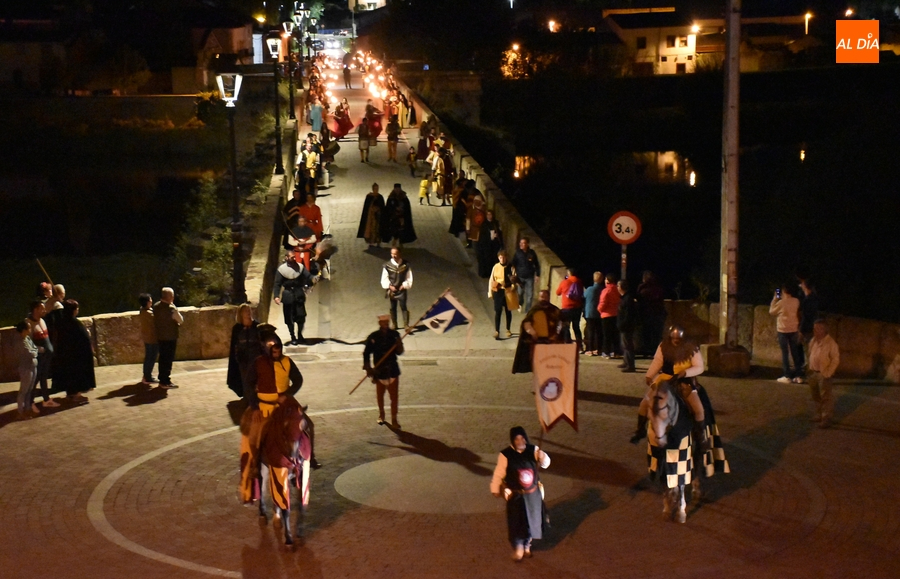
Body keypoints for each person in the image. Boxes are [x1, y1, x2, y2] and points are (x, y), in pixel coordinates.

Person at [490, 426, 550, 561]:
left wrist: (542, 457)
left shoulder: (533, 450)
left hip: (532, 495)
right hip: (516, 496)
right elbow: (499, 473)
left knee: (531, 521)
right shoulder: (506, 454)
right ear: (513, 440)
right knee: (516, 521)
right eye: (517, 438)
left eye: (522, 438)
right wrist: (495, 488)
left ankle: (527, 545)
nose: (520, 441)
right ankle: (518, 547)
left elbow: (546, 464)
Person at [363, 314, 405, 429]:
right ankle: (381, 414)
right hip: (379, 370)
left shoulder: (395, 335)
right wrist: (368, 367)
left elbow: (399, 352)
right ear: (380, 324)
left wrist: (399, 345)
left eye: (387, 323)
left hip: (392, 369)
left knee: (394, 396)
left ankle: (394, 419)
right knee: (380, 395)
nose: (385, 325)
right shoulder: (373, 337)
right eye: (383, 323)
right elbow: (366, 353)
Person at [52, 299, 96, 402]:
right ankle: (76, 394)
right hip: (76, 355)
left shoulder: (62, 323)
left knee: (68, 374)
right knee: (76, 374)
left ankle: (70, 393)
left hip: (66, 354)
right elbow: (82, 338)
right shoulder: (74, 323)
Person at [512, 290, 563, 374]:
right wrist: (532, 332)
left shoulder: (554, 310)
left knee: (550, 362)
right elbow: (527, 323)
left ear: (548, 297)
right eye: (541, 297)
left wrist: (556, 334)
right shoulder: (534, 310)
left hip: (550, 340)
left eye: (544, 297)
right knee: (538, 363)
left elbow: (560, 323)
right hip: (537, 340)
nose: (543, 299)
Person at [274, 251, 316, 345]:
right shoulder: (281, 270)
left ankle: (300, 335)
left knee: (301, 316)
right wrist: (276, 296)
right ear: (286, 257)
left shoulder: (300, 267)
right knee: (289, 318)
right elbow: (277, 284)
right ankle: (292, 336)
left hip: (298, 294)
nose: (294, 258)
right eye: (292, 257)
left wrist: (313, 278)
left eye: (294, 257)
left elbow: (308, 276)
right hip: (288, 295)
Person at [807, 319, 840, 428]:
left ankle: (826, 418)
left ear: (824, 330)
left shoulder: (831, 343)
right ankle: (819, 414)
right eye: (815, 328)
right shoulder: (813, 341)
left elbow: (835, 359)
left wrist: (828, 372)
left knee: (825, 397)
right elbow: (810, 353)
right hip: (813, 372)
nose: (815, 331)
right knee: (816, 395)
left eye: (818, 328)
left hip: (823, 373)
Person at [27, 300, 59, 409]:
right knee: (35, 379)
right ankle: (30, 402)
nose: (44, 310)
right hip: (39, 357)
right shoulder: (29, 323)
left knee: (43, 377)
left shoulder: (42, 321)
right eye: (42, 308)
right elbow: (27, 341)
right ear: (35, 309)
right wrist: (38, 349)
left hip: (46, 357)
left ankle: (46, 399)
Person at [227, 304, 263, 399]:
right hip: (243, 360)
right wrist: (237, 358)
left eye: (249, 310)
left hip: (255, 358)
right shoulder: (237, 329)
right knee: (246, 382)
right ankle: (249, 401)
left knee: (256, 381)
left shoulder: (257, 326)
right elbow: (234, 345)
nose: (248, 313)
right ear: (241, 314)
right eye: (245, 311)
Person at [769, 284, 803, 383]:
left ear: (783, 291)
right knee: (795, 352)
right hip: (793, 329)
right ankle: (798, 375)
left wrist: (775, 299)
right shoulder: (796, 301)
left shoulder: (781, 303)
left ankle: (787, 375)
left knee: (785, 353)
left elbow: (771, 311)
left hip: (783, 330)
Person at [153, 288, 183, 389]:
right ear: (170, 297)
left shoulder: (156, 306)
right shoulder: (171, 309)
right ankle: (165, 381)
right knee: (168, 359)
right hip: (170, 337)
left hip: (160, 336)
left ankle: (162, 378)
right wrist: (175, 308)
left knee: (162, 358)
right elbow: (180, 320)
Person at [381, 247, 413, 330]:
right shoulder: (387, 265)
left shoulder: (405, 265)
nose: (393, 256)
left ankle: (406, 325)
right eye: (392, 254)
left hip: (402, 290)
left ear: (399, 254)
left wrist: (404, 285)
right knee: (393, 307)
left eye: (395, 254)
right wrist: (390, 286)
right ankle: (394, 324)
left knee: (403, 306)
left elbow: (409, 277)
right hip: (393, 290)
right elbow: (384, 277)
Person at [489, 250, 517, 339]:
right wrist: (490, 292)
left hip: (508, 291)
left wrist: (512, 287)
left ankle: (508, 329)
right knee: (498, 311)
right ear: (498, 258)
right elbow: (491, 279)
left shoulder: (511, 267)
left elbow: (514, 279)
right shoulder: (495, 267)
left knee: (508, 311)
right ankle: (497, 331)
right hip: (498, 291)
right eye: (500, 257)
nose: (502, 259)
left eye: (504, 257)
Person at [637, 271, 667, 357]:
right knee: (656, 334)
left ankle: (646, 351)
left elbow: (639, 300)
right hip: (657, 314)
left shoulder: (642, 289)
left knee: (646, 333)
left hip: (645, 314)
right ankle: (655, 351)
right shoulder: (657, 288)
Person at [555, 267, 585, 351]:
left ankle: (568, 344)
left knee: (566, 326)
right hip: (577, 308)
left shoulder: (565, 282)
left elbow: (557, 292)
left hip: (567, 308)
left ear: (569, 273)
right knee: (576, 327)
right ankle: (580, 346)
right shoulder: (579, 282)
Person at [15, 320, 39, 419]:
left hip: (32, 366)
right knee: (24, 390)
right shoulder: (20, 341)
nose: (30, 329)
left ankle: (28, 409)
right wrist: (35, 352)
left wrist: (35, 352)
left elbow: (34, 349)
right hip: (26, 368)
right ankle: (20, 411)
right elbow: (31, 353)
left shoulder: (27, 338)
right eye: (28, 327)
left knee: (29, 389)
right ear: (24, 330)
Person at [382, 183, 417, 247]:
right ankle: (394, 244)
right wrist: (394, 209)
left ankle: (401, 243)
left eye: (398, 189)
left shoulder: (404, 197)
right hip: (393, 218)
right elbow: (388, 207)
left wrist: (402, 210)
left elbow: (407, 208)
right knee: (394, 231)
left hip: (401, 218)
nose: (397, 190)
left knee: (401, 231)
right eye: (396, 189)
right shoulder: (391, 198)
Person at [511, 238, 541, 313]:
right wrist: (512, 271)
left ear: (527, 244)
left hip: (529, 277)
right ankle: (520, 303)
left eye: (523, 243)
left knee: (530, 294)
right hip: (520, 277)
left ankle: (528, 310)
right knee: (520, 293)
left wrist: (537, 275)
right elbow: (513, 263)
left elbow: (536, 264)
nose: (521, 244)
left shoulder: (532, 253)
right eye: (520, 243)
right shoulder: (518, 253)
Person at [617, 280, 638, 372]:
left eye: (618, 286)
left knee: (628, 345)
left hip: (626, 325)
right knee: (624, 344)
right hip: (625, 325)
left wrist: (623, 324)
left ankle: (630, 365)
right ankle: (626, 362)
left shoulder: (627, 299)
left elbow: (628, 314)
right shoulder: (625, 298)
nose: (617, 288)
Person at [598, 274, 621, 358]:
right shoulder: (617, 290)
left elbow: (603, 302)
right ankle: (616, 352)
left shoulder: (606, 290)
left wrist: (599, 309)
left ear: (607, 281)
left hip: (606, 315)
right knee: (615, 335)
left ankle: (606, 352)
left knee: (607, 335)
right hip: (616, 314)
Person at [798, 278, 819, 370]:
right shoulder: (814, 297)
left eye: (802, 285)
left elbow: (806, 316)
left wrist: (801, 330)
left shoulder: (808, 300)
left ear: (806, 287)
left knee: (803, 347)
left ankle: (803, 366)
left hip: (807, 328)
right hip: (813, 326)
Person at [475, 210, 503, 279]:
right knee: (486, 259)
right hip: (486, 245)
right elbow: (482, 235)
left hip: (494, 245)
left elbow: (499, 232)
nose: (489, 216)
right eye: (488, 214)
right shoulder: (484, 224)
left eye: (490, 214)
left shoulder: (495, 223)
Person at [357, 183, 385, 247]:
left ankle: (378, 241)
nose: (376, 190)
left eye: (377, 188)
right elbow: (367, 207)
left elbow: (382, 206)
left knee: (378, 229)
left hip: (378, 216)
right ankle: (371, 242)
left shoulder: (380, 197)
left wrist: (378, 210)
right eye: (375, 189)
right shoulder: (369, 197)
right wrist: (372, 208)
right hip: (371, 217)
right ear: (373, 189)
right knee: (371, 230)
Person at [138, 293, 158, 385]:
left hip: (147, 338)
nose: (151, 301)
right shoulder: (149, 314)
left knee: (148, 357)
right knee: (151, 357)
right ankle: (147, 377)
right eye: (150, 300)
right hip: (152, 339)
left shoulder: (142, 311)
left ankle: (146, 375)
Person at [582, 272, 603, 356]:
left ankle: (590, 349)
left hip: (590, 312)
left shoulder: (589, 289)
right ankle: (598, 349)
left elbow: (583, 297)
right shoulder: (602, 289)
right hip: (599, 313)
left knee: (590, 331)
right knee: (599, 332)